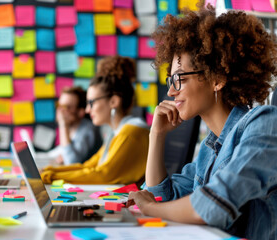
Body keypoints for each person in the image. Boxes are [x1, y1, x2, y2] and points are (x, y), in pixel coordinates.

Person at [127, 5, 277, 240]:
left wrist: (149, 209)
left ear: (217, 78)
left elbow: (212, 207)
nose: (171, 92)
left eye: (178, 79)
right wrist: (156, 135)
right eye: (170, 80)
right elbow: (161, 196)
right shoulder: (210, 147)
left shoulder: (264, 124)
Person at [41, 56, 150, 184]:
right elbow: (89, 166)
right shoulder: (117, 132)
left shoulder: (131, 131)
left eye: (91, 103)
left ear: (113, 101)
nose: (87, 110)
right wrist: (48, 171)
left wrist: (50, 176)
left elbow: (103, 174)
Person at [47, 86, 102, 165]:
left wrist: (63, 125)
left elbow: (72, 162)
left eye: (66, 107)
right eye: (59, 105)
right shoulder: (74, 128)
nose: (60, 111)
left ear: (81, 112)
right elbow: (62, 150)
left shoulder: (87, 130)